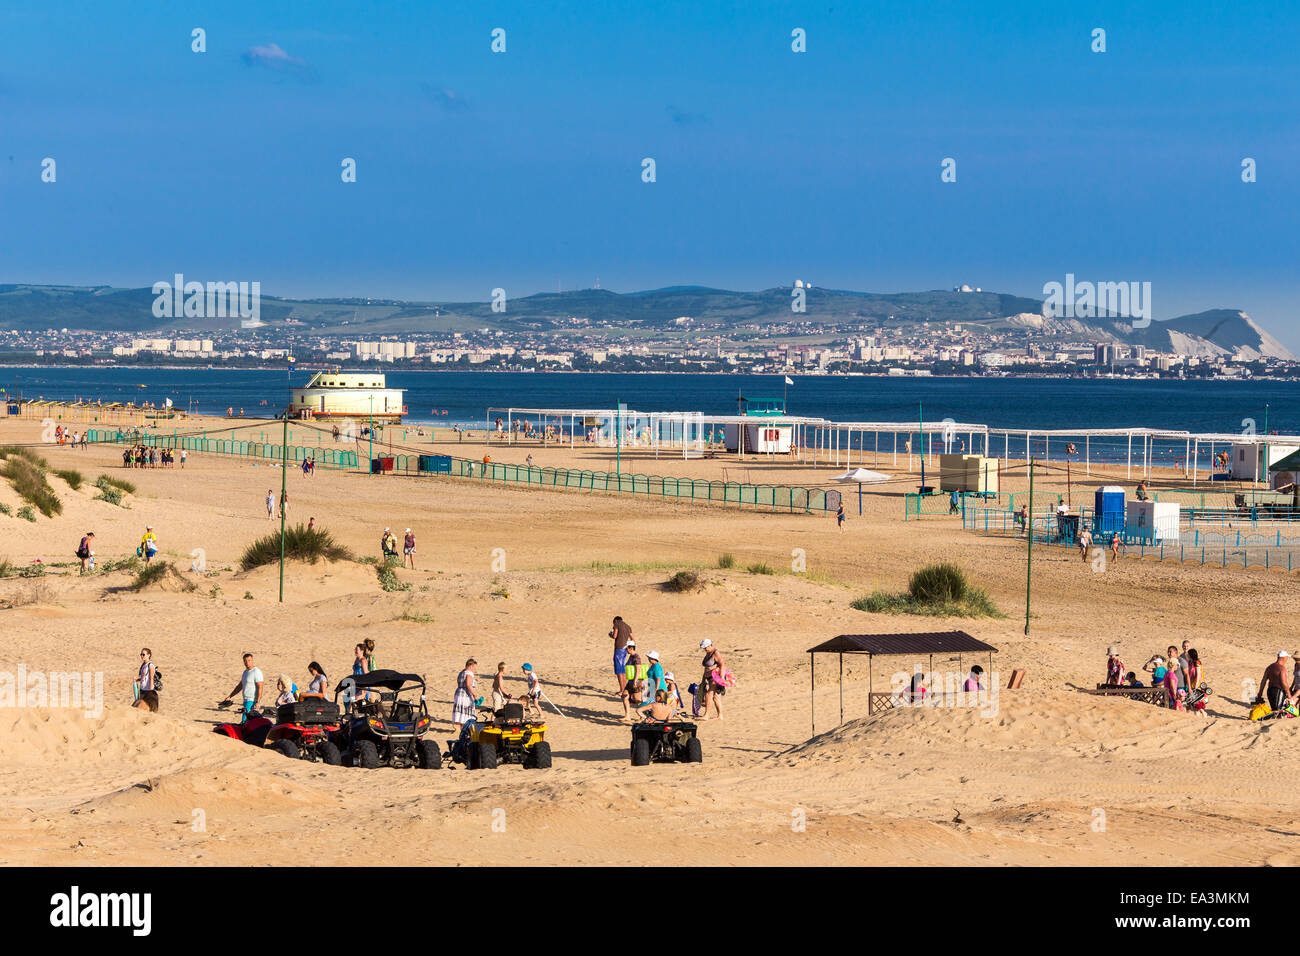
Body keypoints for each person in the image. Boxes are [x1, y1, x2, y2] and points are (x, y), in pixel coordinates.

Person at [221, 653, 264, 722]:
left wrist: (258, 702)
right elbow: (240, 686)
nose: (247, 663)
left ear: (252, 660)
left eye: (249, 660)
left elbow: (260, 687)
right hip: (246, 700)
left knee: (246, 721)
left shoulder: (256, 672)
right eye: (245, 661)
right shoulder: (245, 672)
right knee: (248, 721)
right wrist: (230, 696)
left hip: (252, 700)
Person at [700, 638, 725, 720]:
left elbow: (722, 665)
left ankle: (706, 715)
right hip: (709, 678)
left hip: (715, 677)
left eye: (705, 647)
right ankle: (720, 716)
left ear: (710, 645)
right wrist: (703, 680)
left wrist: (721, 678)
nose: (704, 649)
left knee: (708, 695)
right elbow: (706, 668)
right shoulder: (708, 653)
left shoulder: (716, 653)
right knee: (716, 697)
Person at [610, 615, 632, 700]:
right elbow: (633, 638)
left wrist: (611, 635)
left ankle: (622, 690)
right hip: (625, 650)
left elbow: (615, 636)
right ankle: (624, 689)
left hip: (618, 649)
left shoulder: (617, 624)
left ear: (615, 621)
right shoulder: (627, 626)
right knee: (623, 670)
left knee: (619, 671)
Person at [623, 640, 647, 719]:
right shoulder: (631, 656)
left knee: (638, 700)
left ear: (630, 648)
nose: (626, 650)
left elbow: (638, 670)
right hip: (631, 681)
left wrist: (635, 681)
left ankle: (642, 717)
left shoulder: (636, 658)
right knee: (624, 696)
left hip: (636, 681)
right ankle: (627, 715)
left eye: (626, 648)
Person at [453, 658, 478, 733]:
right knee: (465, 711)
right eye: (474, 667)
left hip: (459, 693)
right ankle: (463, 728)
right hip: (465, 694)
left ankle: (457, 728)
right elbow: (469, 685)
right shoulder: (469, 673)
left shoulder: (462, 672)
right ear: (470, 666)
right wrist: (475, 694)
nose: (474, 669)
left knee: (460, 711)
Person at [134, 647, 158, 712]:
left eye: (143, 654)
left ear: (148, 655)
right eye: (141, 654)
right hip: (142, 690)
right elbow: (144, 677)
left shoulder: (150, 665)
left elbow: (151, 678)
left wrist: (150, 691)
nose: (142, 656)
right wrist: (137, 679)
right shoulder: (143, 665)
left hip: (148, 690)